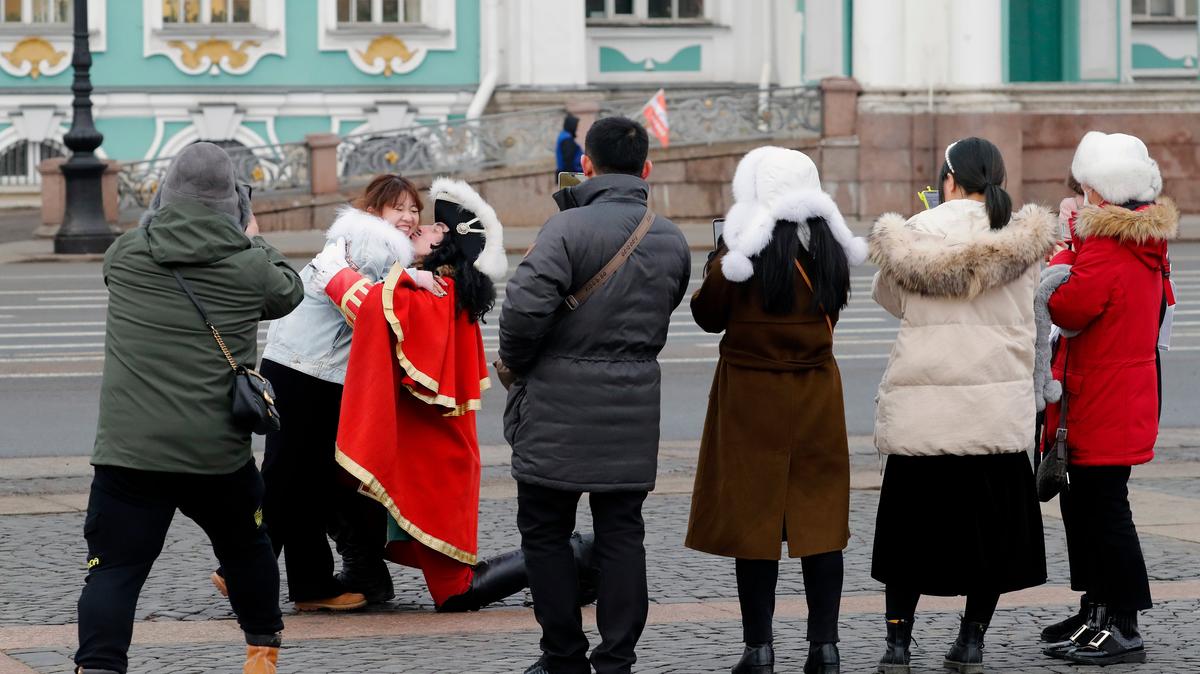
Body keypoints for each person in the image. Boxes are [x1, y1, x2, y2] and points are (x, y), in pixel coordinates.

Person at [309, 178, 593, 612]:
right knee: (334, 480)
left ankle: (578, 554)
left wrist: (333, 267)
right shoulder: (435, 287)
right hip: (423, 455)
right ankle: (363, 571)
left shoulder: (435, 292)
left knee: (456, 592)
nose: (414, 226)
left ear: (443, 241)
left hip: (435, 465)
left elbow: (369, 308)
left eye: (427, 225)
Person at [75, 142, 304, 674]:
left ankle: (99, 668)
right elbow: (288, 292)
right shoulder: (250, 266)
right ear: (234, 203)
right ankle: (261, 654)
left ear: (164, 194)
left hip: (130, 454)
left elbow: (136, 252)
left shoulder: (126, 254)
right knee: (248, 549)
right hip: (217, 455)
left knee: (113, 571)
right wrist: (253, 237)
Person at [499, 116, 691, 674]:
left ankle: (563, 655)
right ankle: (617, 659)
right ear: (646, 170)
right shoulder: (670, 237)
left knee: (545, 533)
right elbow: (667, 302)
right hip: (633, 406)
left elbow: (521, 311)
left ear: (586, 165)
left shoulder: (566, 229)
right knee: (622, 534)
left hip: (556, 405)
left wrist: (523, 359)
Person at [869, 137, 1054, 674]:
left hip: (924, 416)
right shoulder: (1021, 239)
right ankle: (971, 642)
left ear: (948, 180)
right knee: (990, 537)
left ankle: (898, 646)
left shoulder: (917, 234)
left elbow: (890, 299)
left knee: (908, 538)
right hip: (994, 412)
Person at [209, 174, 435, 612]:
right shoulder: (372, 243)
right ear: (374, 213)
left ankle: (311, 585)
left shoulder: (380, 246)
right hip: (304, 369)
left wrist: (414, 268)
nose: (408, 218)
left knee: (306, 482)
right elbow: (369, 308)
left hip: (317, 370)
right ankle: (238, 571)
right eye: (398, 209)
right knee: (284, 481)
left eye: (414, 210)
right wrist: (413, 277)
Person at [686, 146, 868, 674]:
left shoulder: (744, 250)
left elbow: (707, 316)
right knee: (820, 524)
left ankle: (759, 648)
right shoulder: (831, 250)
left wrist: (722, 252)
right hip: (815, 397)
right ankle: (825, 647)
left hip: (750, 400)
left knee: (754, 524)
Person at [1038, 131, 1177, 666]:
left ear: (1101, 192)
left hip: (1101, 399)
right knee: (1085, 507)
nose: (1079, 196)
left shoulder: (1105, 247)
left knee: (1104, 511)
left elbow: (1069, 307)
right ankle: (1095, 610)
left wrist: (1065, 247)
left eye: (1085, 188)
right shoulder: (1138, 242)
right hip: (1113, 395)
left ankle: (1121, 623)